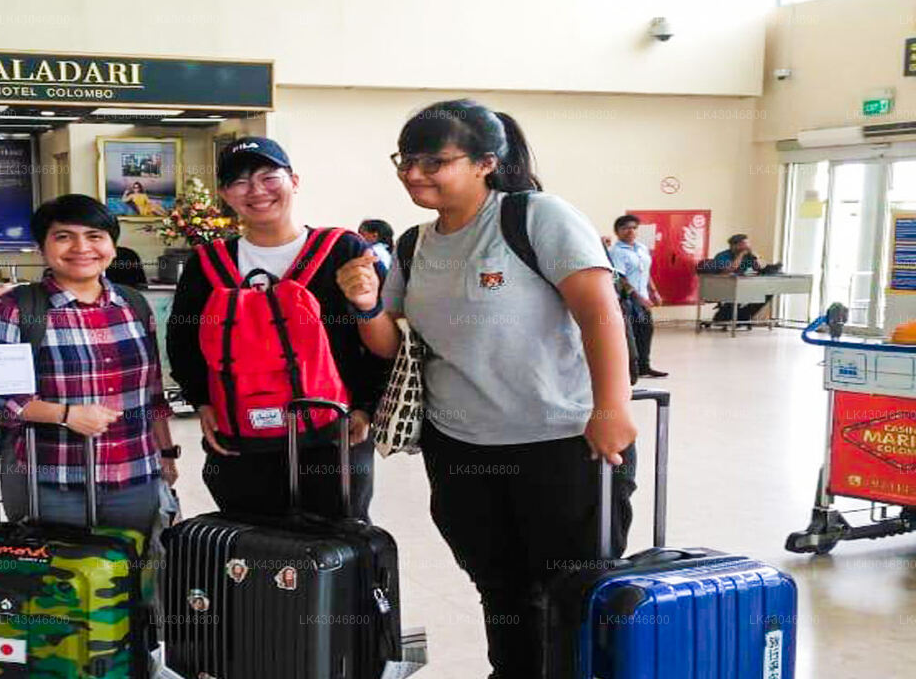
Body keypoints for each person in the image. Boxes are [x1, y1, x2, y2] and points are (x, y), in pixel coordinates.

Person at [337, 99, 636, 678]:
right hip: (461, 447)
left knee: (573, 589)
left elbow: (600, 312)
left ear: (485, 163)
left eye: (433, 161)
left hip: (561, 440)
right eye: (406, 160)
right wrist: (366, 303)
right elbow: (389, 345)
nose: (413, 174)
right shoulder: (413, 243)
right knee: (498, 585)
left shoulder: (536, 217)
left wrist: (612, 406)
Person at [167, 136, 389, 520]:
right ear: (224, 194)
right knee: (252, 545)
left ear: (295, 181)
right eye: (239, 182)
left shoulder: (344, 251)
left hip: (332, 431)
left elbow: (379, 339)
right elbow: (183, 340)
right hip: (238, 436)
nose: (256, 191)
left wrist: (368, 407)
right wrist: (201, 400)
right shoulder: (208, 264)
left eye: (269, 176)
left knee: (337, 543)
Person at [0, 194, 178, 536]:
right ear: (43, 248)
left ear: (112, 247)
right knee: (59, 582)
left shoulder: (134, 305)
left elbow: (152, 392)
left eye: (95, 236)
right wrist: (65, 414)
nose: (82, 247)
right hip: (51, 480)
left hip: (136, 475)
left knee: (135, 578)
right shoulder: (13, 310)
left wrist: (166, 453)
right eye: (64, 236)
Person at [608, 215, 667, 378]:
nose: (630, 231)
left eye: (634, 228)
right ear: (617, 231)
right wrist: (639, 298)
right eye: (625, 228)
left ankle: (645, 366)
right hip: (628, 299)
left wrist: (654, 291)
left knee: (646, 331)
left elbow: (645, 272)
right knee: (631, 333)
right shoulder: (616, 251)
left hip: (644, 297)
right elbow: (619, 278)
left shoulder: (642, 248)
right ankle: (629, 369)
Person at [702, 233, 769, 323]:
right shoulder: (722, 256)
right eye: (744, 244)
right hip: (723, 286)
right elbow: (729, 270)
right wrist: (740, 256)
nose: (747, 246)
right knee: (743, 294)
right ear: (734, 245)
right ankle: (726, 317)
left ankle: (741, 318)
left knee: (766, 293)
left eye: (748, 243)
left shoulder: (748, 256)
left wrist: (756, 258)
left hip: (741, 285)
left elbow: (760, 267)